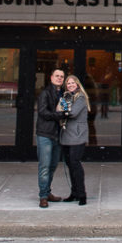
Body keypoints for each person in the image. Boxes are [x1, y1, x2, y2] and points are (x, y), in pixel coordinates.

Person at [58, 73, 91, 205]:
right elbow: (60, 109)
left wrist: (61, 111)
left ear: (77, 84)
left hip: (77, 136)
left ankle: (82, 194)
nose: (70, 85)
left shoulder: (81, 97)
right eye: (68, 83)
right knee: (70, 165)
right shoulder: (67, 96)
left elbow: (72, 113)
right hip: (66, 135)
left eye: (73, 83)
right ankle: (74, 193)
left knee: (75, 164)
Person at [35, 68, 66, 208]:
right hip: (45, 134)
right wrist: (59, 115)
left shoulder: (63, 94)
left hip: (57, 135)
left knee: (52, 165)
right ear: (51, 77)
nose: (59, 78)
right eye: (57, 76)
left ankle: (47, 192)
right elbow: (42, 112)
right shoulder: (45, 93)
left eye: (62, 76)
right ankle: (43, 196)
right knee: (45, 166)